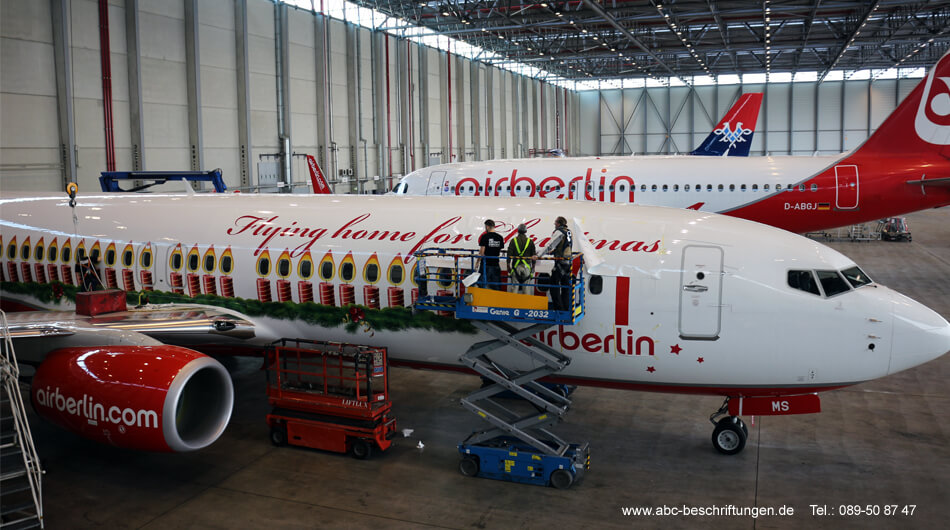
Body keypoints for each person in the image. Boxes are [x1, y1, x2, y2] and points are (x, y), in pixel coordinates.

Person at [536, 216, 573, 311]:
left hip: (560, 263)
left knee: (554, 285)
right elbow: (565, 246)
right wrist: (554, 252)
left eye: (555, 222)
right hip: (568, 262)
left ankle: (558, 308)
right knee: (565, 287)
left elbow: (549, 245)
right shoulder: (568, 232)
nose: (554, 224)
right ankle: (566, 307)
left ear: (559, 224)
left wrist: (539, 255)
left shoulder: (559, 232)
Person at [507, 223, 536, 294]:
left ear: (518, 231)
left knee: (514, 287)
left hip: (516, 267)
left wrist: (508, 266)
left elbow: (509, 255)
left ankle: (513, 304)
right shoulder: (530, 241)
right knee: (526, 288)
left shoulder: (513, 241)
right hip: (527, 267)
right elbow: (534, 256)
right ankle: (526, 304)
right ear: (526, 231)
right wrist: (533, 268)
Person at [477, 219, 505, 290]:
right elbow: (499, 250)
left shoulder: (484, 237)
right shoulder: (500, 237)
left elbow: (482, 252)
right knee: (496, 286)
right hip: (496, 264)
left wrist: (477, 262)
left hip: (486, 265)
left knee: (482, 285)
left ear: (487, 226)